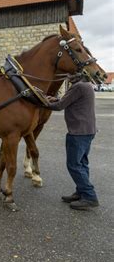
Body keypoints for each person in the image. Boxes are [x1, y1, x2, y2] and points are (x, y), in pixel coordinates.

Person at [46, 74, 99, 210]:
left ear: (76, 75)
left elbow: (59, 106)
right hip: (88, 130)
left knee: (74, 165)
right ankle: (81, 192)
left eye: (69, 74)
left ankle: (89, 197)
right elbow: (69, 101)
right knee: (82, 163)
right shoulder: (86, 85)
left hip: (78, 132)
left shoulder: (78, 87)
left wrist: (42, 102)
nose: (67, 77)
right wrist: (56, 98)